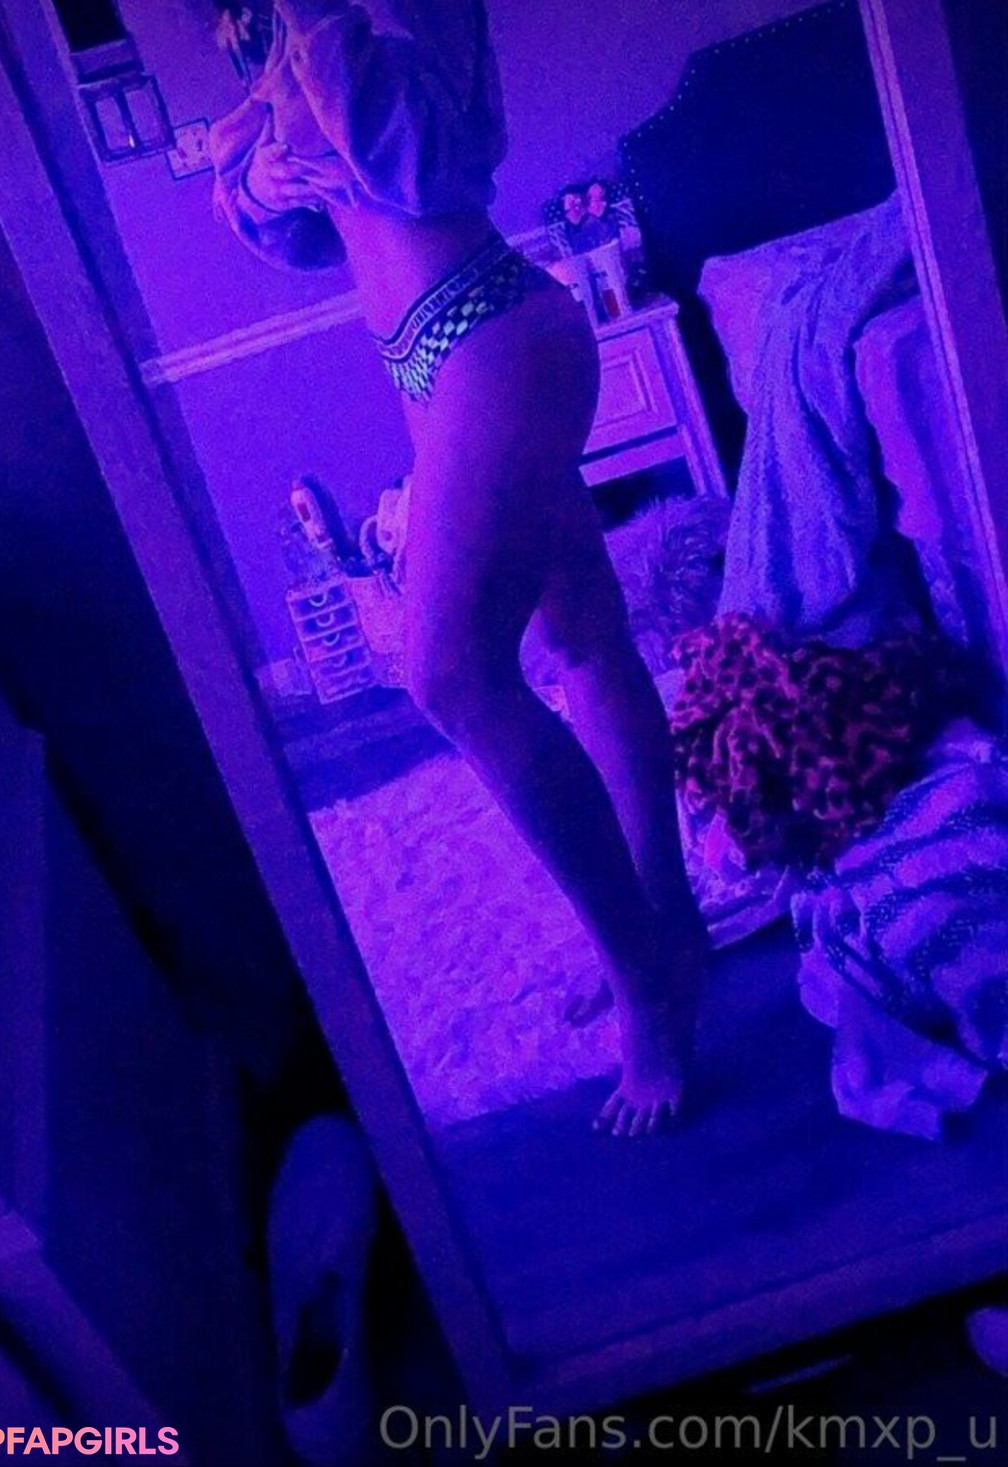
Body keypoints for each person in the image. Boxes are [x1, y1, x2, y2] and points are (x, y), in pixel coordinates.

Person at [210, 0, 708, 1137]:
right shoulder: (279, 26)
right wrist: (266, 181)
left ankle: (646, 984)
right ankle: (667, 925)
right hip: (426, 353)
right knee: (582, 639)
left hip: (494, 332)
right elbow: (303, 225)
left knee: (447, 672)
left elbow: (428, 168)